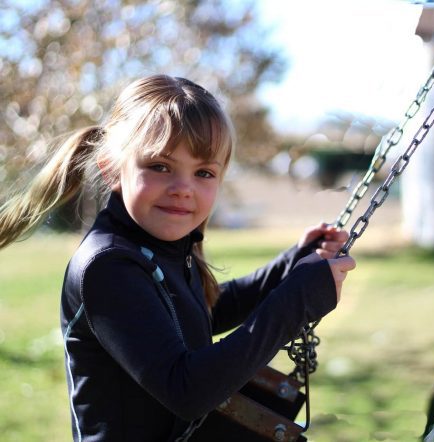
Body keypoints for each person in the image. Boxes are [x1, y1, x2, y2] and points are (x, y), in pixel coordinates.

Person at [0, 74, 356, 441]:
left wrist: (289, 266)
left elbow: (198, 312)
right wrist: (296, 300)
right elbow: (187, 390)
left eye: (203, 172)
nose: (182, 189)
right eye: (160, 167)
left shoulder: (160, 248)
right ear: (111, 169)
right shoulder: (107, 266)